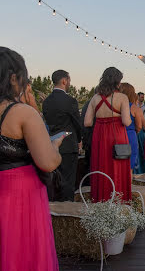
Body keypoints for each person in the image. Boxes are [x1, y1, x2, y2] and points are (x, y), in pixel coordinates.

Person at [0, 47, 62, 270]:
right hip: (19, 196)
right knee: (22, 254)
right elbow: (47, 162)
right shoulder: (21, 112)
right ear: (13, 77)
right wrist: (54, 145)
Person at [84, 67, 132, 202]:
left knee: (101, 165)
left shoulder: (95, 98)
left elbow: (87, 122)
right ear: (117, 81)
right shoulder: (122, 97)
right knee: (118, 166)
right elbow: (126, 122)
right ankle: (118, 199)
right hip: (117, 134)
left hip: (99, 135)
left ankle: (101, 198)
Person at [43, 69, 82, 201]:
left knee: (54, 181)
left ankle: (54, 211)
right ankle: (66, 211)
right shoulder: (70, 101)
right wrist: (80, 138)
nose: (69, 83)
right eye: (69, 80)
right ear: (64, 81)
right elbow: (78, 123)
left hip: (51, 144)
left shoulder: (46, 101)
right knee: (68, 181)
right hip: (68, 144)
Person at [120, 83, 143, 173]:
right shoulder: (135, 108)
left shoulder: (116, 106)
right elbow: (139, 126)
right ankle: (128, 186)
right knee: (129, 165)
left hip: (117, 135)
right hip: (130, 136)